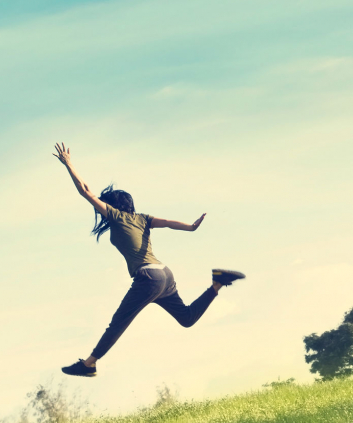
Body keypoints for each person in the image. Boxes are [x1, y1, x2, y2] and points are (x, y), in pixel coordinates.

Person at [52, 142, 244, 377]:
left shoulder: (116, 216)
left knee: (119, 322)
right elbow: (167, 223)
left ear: (113, 205)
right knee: (186, 318)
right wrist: (191, 227)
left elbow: (85, 191)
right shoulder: (142, 218)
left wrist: (69, 164)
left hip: (148, 278)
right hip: (165, 273)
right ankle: (217, 283)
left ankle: (89, 364)